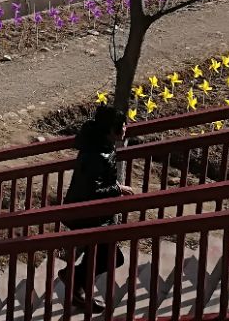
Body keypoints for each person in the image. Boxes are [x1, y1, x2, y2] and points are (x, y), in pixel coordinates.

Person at [59, 104, 134, 311]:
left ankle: (76, 286)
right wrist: (117, 189)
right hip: (88, 217)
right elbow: (93, 191)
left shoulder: (98, 144)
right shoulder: (97, 155)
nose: (126, 127)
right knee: (111, 258)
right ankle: (75, 283)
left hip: (90, 215)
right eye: (122, 125)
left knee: (107, 257)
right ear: (111, 130)